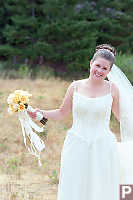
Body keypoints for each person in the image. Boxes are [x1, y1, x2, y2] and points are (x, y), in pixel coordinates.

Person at [28, 44, 122, 200]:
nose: (99, 70)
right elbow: (61, 113)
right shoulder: (75, 86)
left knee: (100, 187)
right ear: (91, 63)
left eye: (104, 68)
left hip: (103, 146)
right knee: (74, 185)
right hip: (76, 144)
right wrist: (40, 113)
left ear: (109, 71)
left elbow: (122, 118)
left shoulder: (113, 89)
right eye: (97, 65)